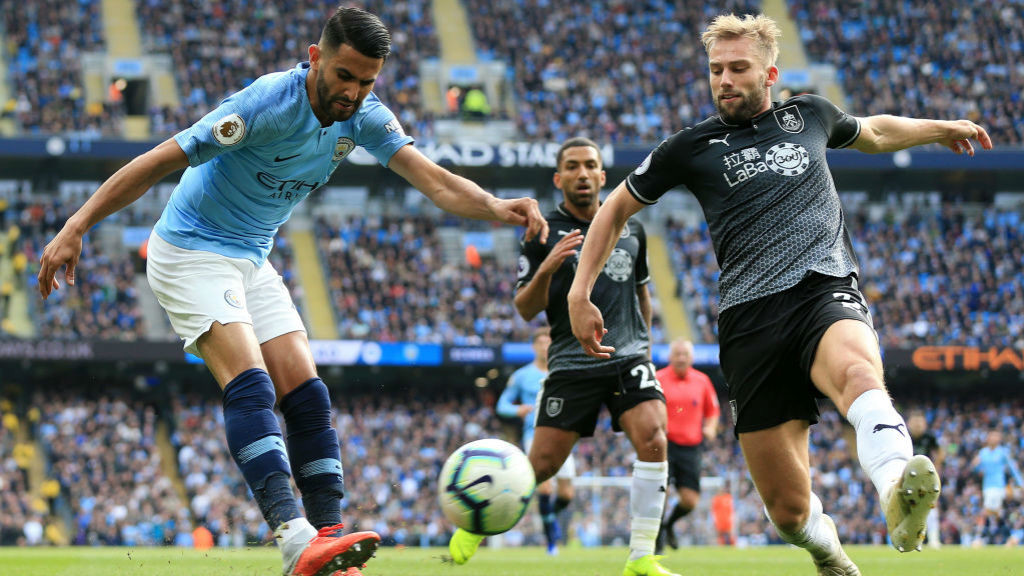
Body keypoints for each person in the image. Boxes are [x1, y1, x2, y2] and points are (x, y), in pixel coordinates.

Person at [36, 7, 547, 576]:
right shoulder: (265, 104)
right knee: (250, 383)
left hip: (252, 258)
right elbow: (159, 160)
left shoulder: (366, 119)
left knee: (308, 395)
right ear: (315, 58)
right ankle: (292, 539)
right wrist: (76, 225)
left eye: (366, 81)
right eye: (344, 76)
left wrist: (497, 207)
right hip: (189, 250)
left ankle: (330, 542)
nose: (353, 92)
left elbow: (436, 182)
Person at [567, 13, 992, 576]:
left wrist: (943, 127)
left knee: (861, 376)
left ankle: (895, 486)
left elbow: (877, 132)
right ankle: (829, 552)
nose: (724, 80)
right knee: (788, 512)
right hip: (749, 321)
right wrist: (580, 290)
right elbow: (617, 206)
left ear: (769, 73)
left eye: (738, 68)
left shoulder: (810, 114)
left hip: (823, 289)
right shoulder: (689, 146)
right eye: (716, 69)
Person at [449, 137, 679, 576]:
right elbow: (524, 307)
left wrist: (646, 347)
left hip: (626, 355)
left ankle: (642, 556)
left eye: (590, 165)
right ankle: (476, 525)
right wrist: (547, 267)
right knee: (542, 465)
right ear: (559, 178)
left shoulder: (632, 226)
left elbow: (642, 293)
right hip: (571, 363)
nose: (582, 173)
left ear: (602, 175)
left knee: (654, 438)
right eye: (571, 166)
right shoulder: (541, 230)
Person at [496, 327, 576, 556]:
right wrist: (516, 410)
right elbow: (502, 404)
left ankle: (550, 517)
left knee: (566, 494)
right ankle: (551, 539)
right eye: (541, 342)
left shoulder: (564, 371)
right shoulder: (522, 375)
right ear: (534, 346)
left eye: (549, 342)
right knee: (545, 486)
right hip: (535, 436)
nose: (545, 346)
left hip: (563, 435)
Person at [654, 338, 719, 553]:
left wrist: (710, 427)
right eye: (677, 354)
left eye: (685, 354)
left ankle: (668, 524)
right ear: (670, 356)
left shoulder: (702, 381)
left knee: (690, 500)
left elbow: (713, 411)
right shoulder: (659, 378)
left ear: (691, 358)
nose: (681, 358)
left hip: (691, 447)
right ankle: (657, 541)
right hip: (664, 445)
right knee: (659, 494)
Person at [908, 409, 944, 548]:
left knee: (931, 507)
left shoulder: (929, 437)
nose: (917, 425)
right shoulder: (904, 435)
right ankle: (912, 540)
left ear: (925, 424)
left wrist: (936, 467)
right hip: (907, 478)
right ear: (909, 423)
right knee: (909, 508)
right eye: (915, 422)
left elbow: (940, 452)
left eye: (920, 422)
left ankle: (934, 539)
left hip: (925, 478)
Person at [971, 429, 1023, 520]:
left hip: (999, 485)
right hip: (987, 486)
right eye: (991, 436)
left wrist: (1021, 483)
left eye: (996, 436)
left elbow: (1012, 468)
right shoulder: (983, 453)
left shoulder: (1003, 452)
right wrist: (975, 465)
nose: (993, 438)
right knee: (991, 513)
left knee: (992, 510)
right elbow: (977, 469)